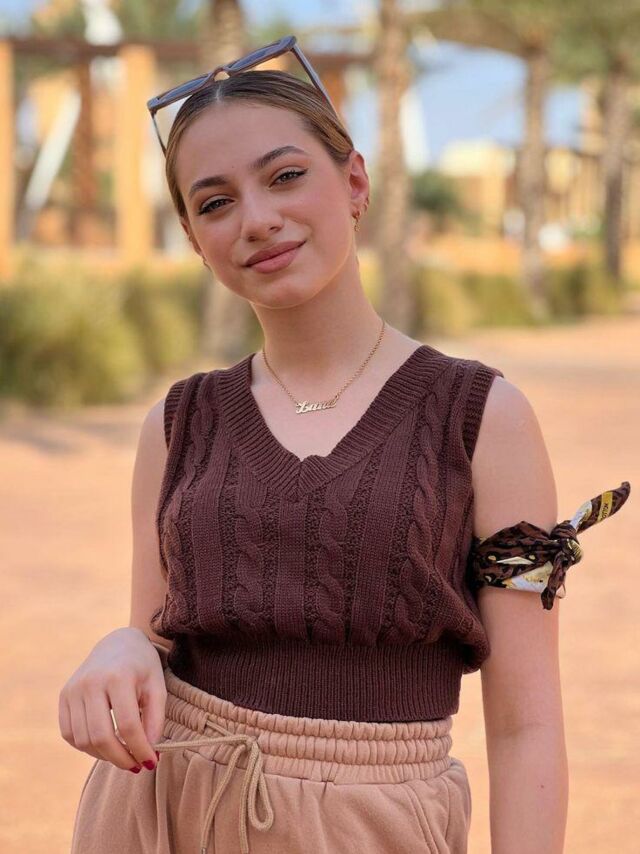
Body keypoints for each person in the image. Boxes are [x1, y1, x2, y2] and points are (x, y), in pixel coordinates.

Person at [60, 37, 631, 854]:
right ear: (192, 237)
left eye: (285, 176)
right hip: (161, 816)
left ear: (355, 182)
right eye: (215, 203)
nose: (257, 219)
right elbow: (153, 637)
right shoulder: (178, 424)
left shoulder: (484, 418)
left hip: (373, 826)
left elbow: (527, 724)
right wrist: (122, 648)